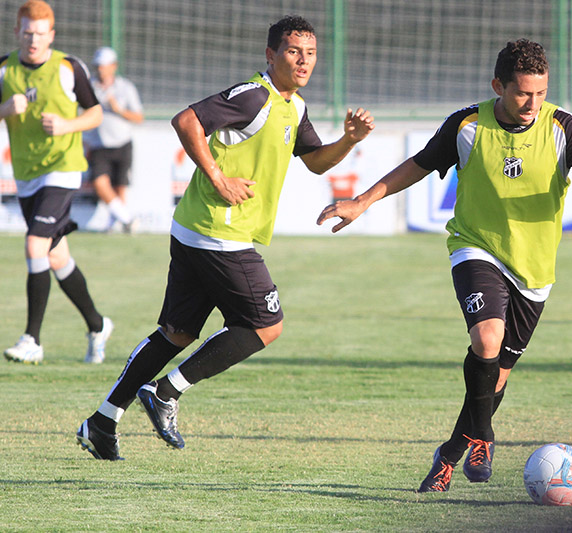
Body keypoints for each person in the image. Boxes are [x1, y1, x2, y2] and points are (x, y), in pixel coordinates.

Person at [317, 39, 572, 492]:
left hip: (534, 270)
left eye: (540, 93)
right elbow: (418, 165)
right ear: (499, 86)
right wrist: (361, 202)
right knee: (486, 338)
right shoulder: (467, 125)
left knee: (493, 380)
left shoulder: (563, 127)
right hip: (475, 247)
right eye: (523, 93)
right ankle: (485, 438)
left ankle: (449, 454)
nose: (532, 104)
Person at [76, 15, 375, 460]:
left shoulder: (294, 106)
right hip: (220, 233)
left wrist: (349, 139)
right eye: (293, 51)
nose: (304, 61)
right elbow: (186, 121)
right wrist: (218, 178)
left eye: (311, 53)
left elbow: (315, 161)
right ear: (271, 55)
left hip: (197, 229)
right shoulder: (254, 96)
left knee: (176, 334)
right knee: (265, 325)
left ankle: (102, 422)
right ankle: (165, 391)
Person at [1, 0, 114, 365]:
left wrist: (67, 125)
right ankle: (98, 325)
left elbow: (95, 113)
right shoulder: (4, 69)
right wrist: (5, 110)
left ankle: (32, 339)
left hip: (63, 169)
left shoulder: (68, 67)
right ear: (17, 32)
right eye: (27, 33)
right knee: (55, 256)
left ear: (51, 35)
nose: (33, 40)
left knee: (35, 245)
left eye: (40, 34)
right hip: (27, 175)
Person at [84, 46, 144, 233]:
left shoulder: (126, 88)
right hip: (98, 144)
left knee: (120, 188)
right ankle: (127, 219)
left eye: (104, 65)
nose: (100, 69)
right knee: (100, 184)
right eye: (97, 66)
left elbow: (138, 117)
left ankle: (115, 225)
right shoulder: (89, 86)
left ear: (114, 66)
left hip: (122, 143)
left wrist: (118, 110)